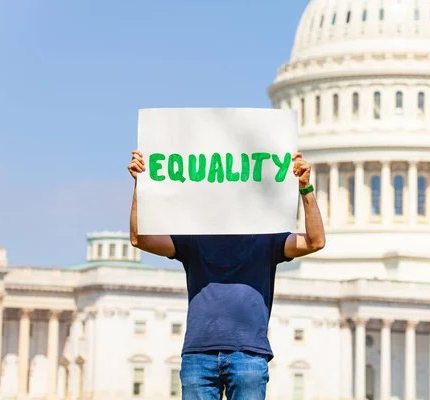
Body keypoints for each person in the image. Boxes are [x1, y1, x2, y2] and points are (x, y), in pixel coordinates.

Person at [127, 149, 326, 400]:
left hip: (248, 354)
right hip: (199, 354)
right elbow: (139, 239)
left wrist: (306, 189)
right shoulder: (193, 239)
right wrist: (140, 184)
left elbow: (315, 241)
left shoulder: (267, 240)